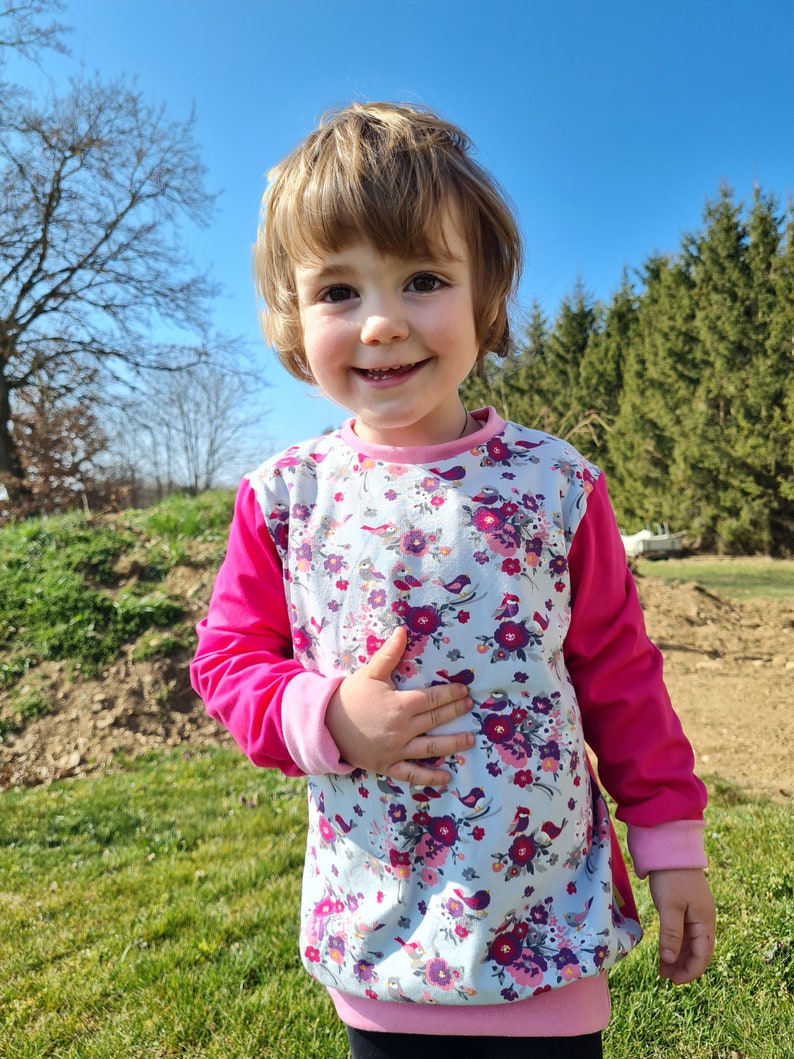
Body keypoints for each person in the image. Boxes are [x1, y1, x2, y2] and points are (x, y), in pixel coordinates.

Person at [190, 101, 715, 1059]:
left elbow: (622, 674)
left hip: (546, 926)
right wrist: (328, 718)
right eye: (338, 291)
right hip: (382, 937)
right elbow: (228, 661)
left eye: (423, 279)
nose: (383, 322)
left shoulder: (558, 485)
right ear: (290, 319)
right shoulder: (284, 499)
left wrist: (671, 845)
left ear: (488, 301)